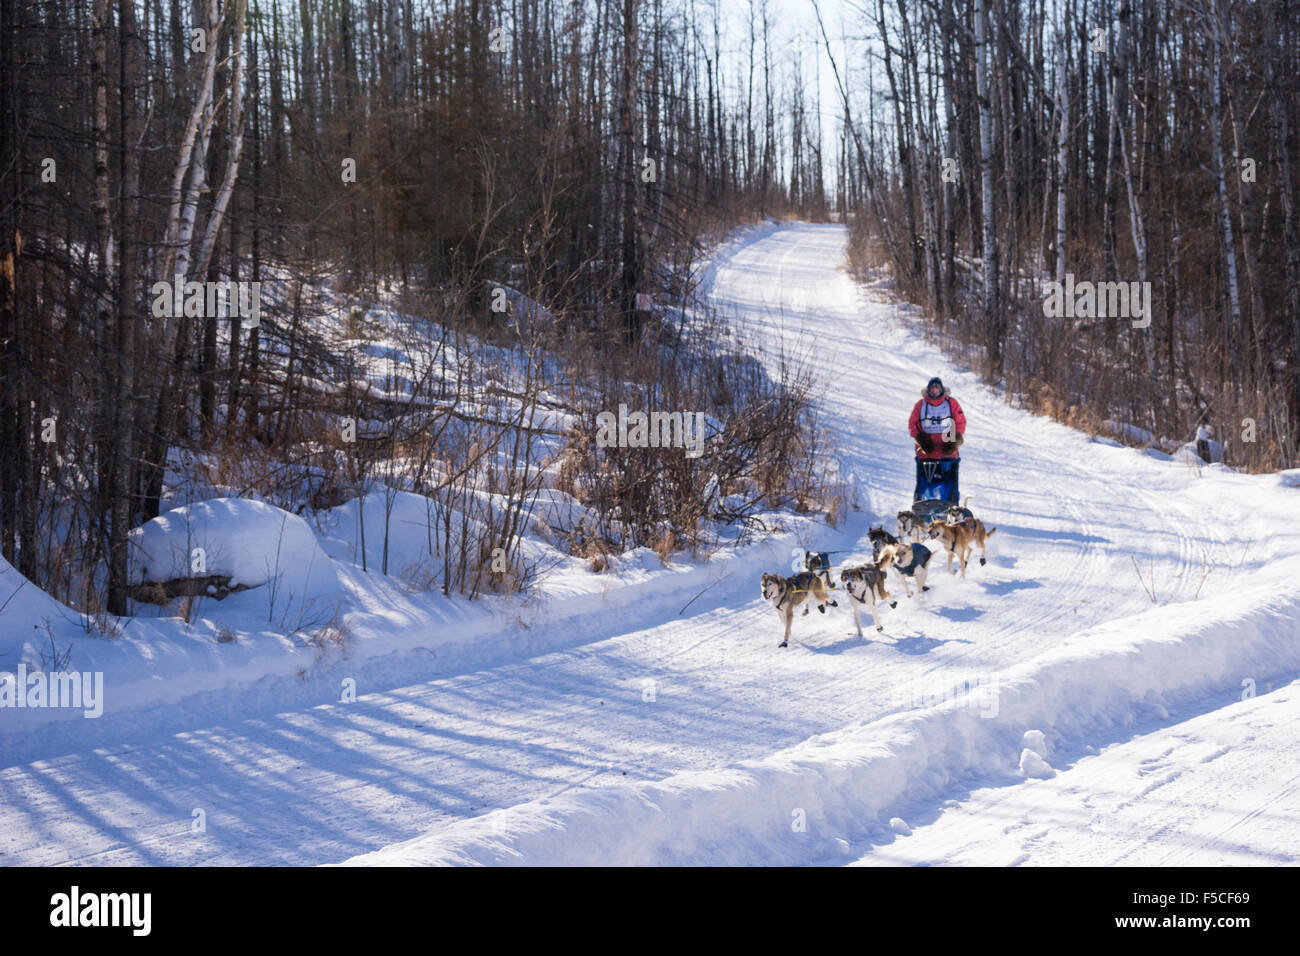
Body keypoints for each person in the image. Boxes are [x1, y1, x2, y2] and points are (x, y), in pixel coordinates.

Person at [908, 376, 966, 502]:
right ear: (928, 390)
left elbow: (960, 423)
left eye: (937, 388)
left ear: (941, 390)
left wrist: (953, 441)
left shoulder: (951, 403)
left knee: (950, 481)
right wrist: (922, 440)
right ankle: (920, 503)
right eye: (932, 388)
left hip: (947, 451)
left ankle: (951, 504)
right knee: (923, 481)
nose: (934, 391)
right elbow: (913, 425)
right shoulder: (920, 405)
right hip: (926, 451)